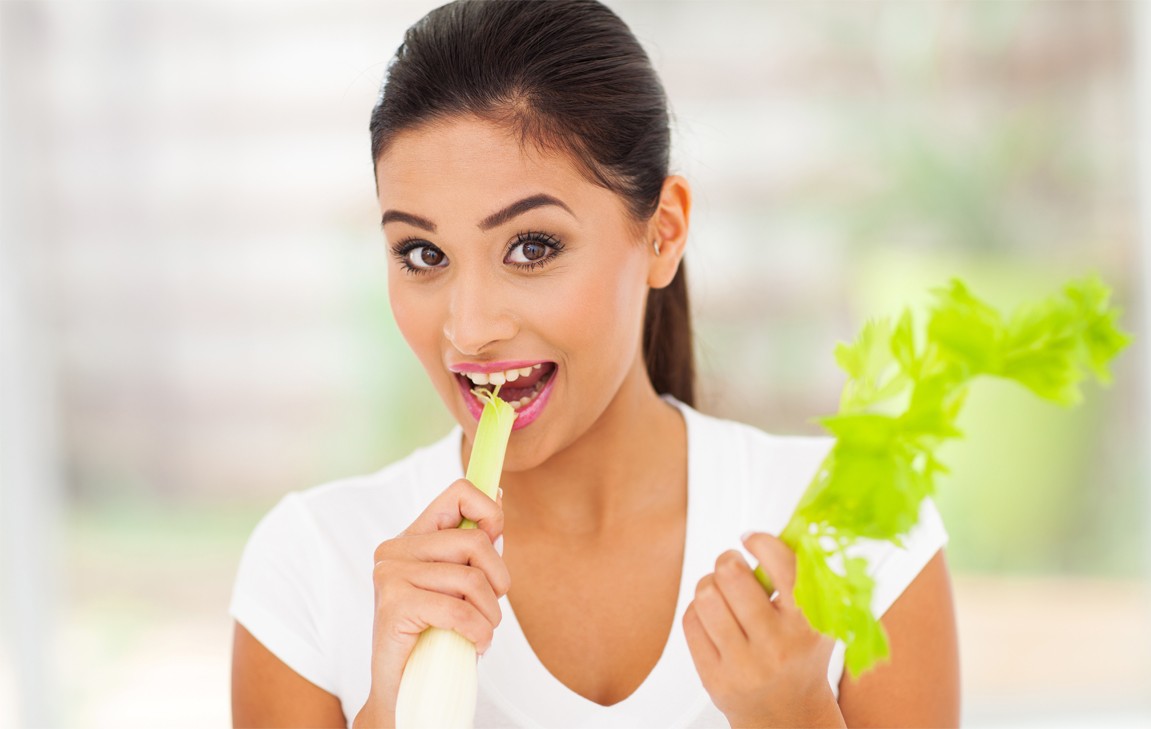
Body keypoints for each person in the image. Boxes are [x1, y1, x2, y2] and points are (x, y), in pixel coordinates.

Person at [229, 0, 959, 726]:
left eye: (532, 246)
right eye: (423, 254)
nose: (471, 328)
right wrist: (394, 710)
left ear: (663, 233)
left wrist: (793, 711)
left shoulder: (858, 528)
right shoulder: (313, 565)